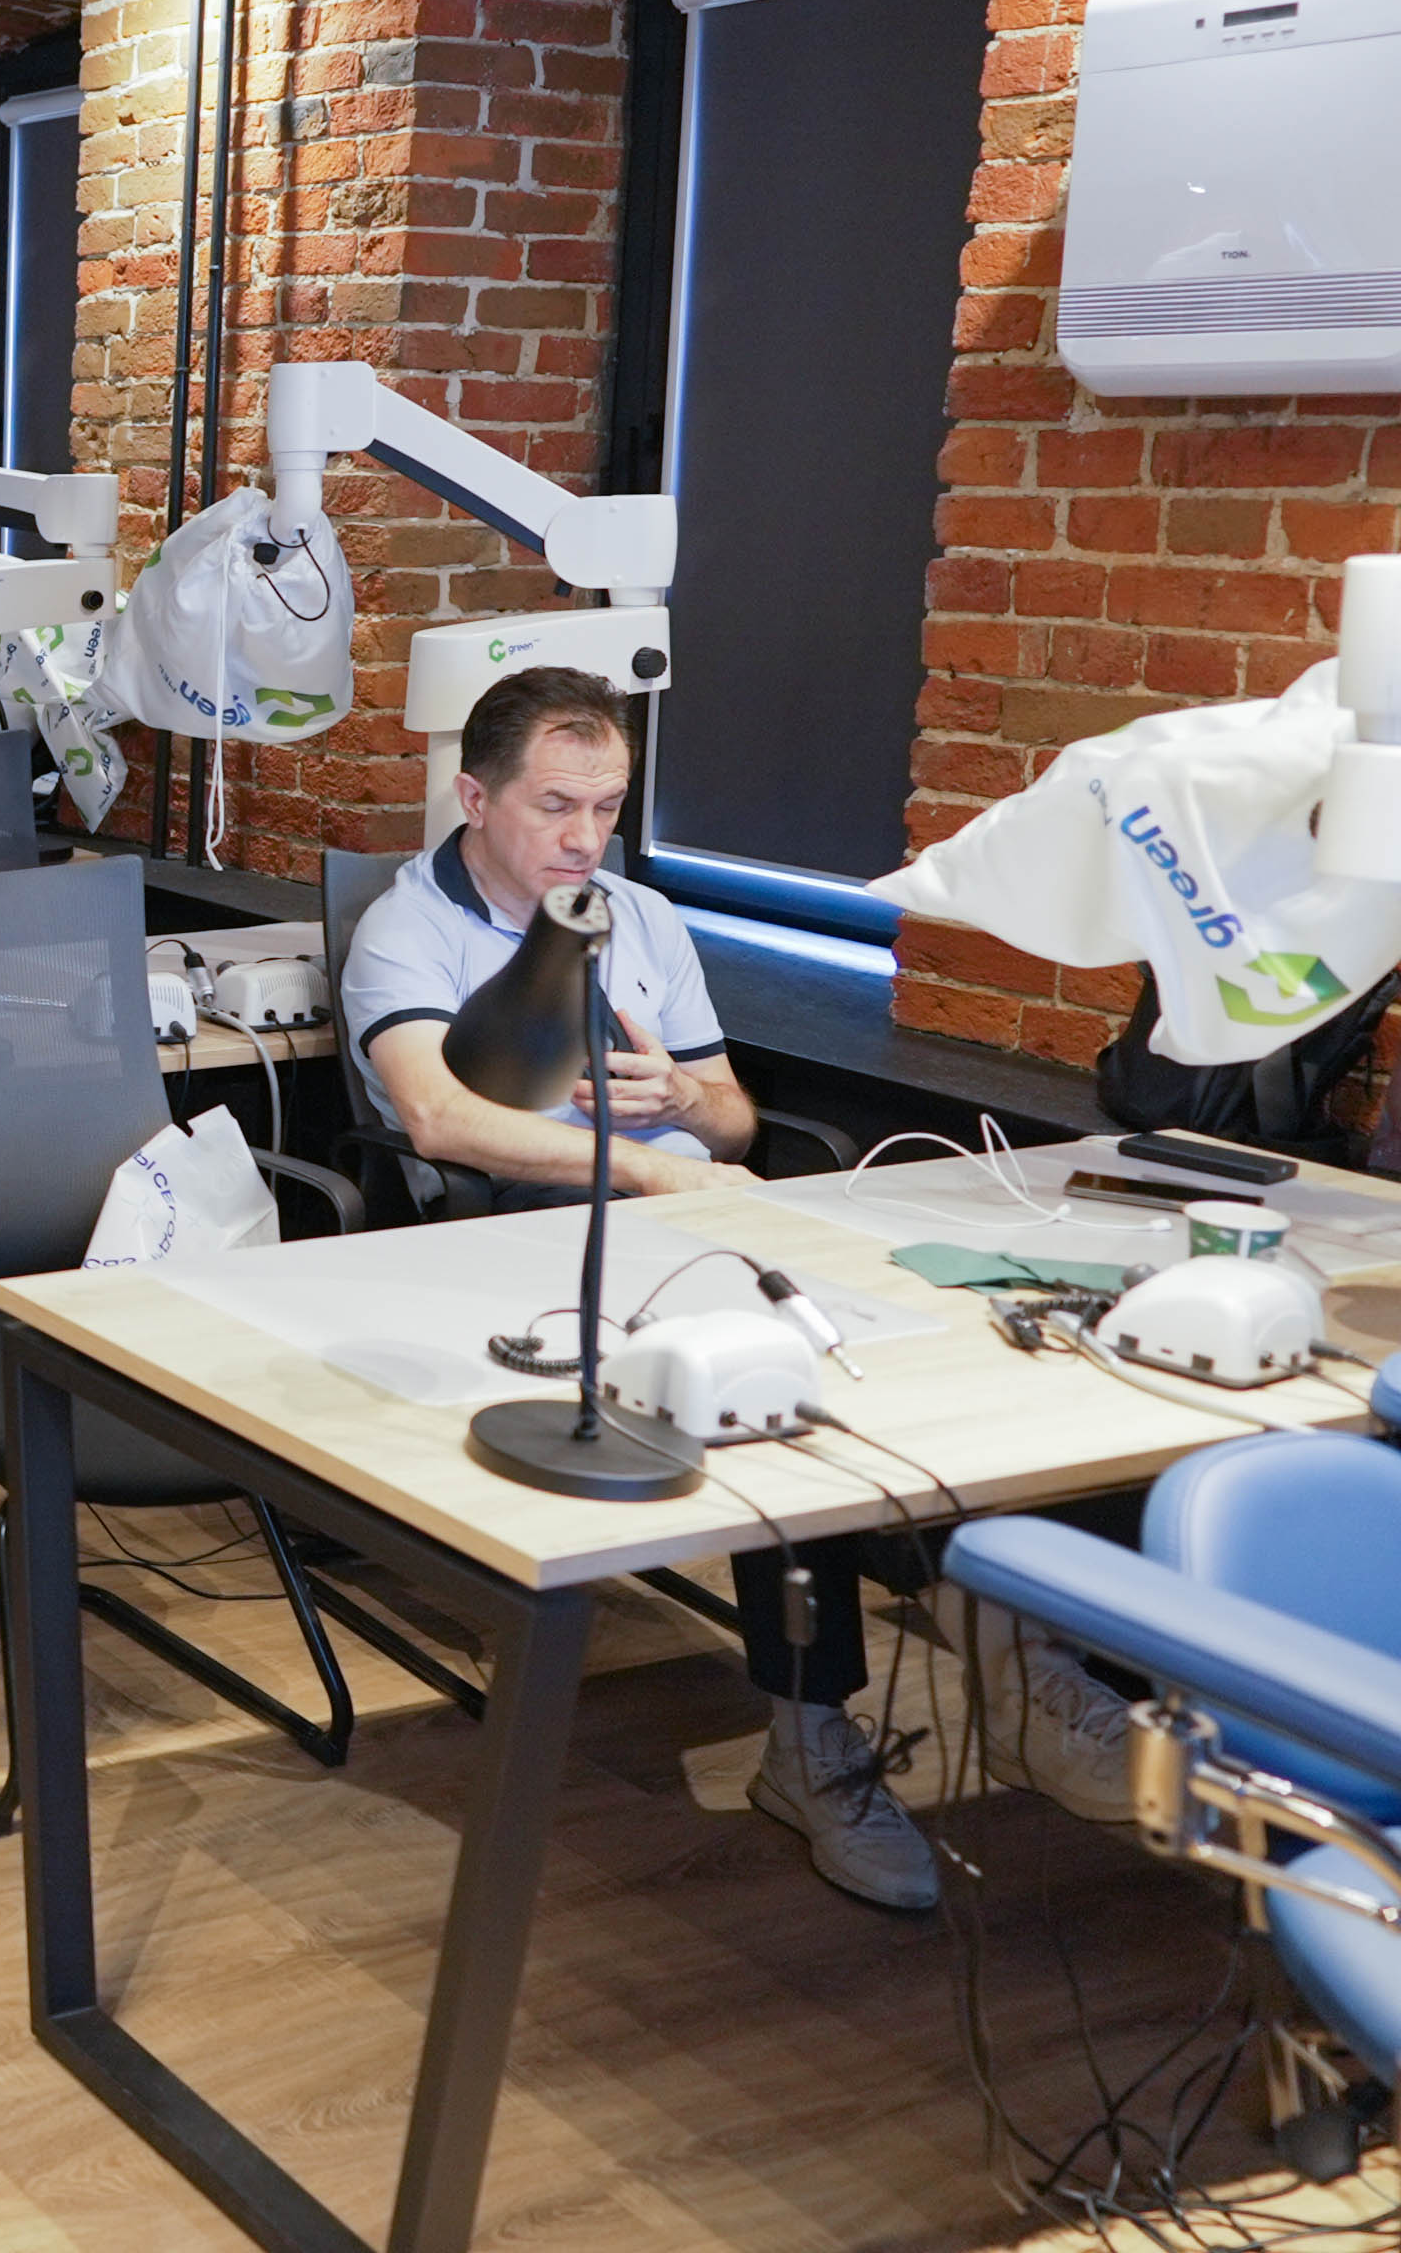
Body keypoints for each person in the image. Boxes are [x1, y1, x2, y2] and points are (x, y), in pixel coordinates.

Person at [339, 664, 1129, 1905]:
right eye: (555, 806)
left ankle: (1021, 1669)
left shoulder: (639, 917)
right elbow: (437, 1119)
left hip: (686, 1216)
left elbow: (735, 1120)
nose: (585, 838)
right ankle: (812, 1741)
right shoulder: (409, 928)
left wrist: (684, 1104)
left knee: (915, 1353)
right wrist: (651, 1171)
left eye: (608, 807)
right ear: (474, 798)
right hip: (522, 1240)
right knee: (755, 1387)